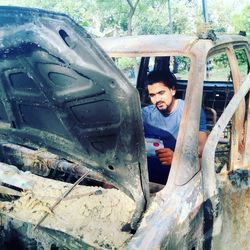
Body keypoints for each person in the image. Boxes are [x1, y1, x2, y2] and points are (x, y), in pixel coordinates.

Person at [142, 70, 207, 186]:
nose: (157, 99)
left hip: (181, 173)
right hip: (152, 173)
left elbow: (201, 147)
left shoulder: (190, 111)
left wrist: (177, 158)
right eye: (152, 95)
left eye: (161, 93)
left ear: (173, 90)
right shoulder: (145, 115)